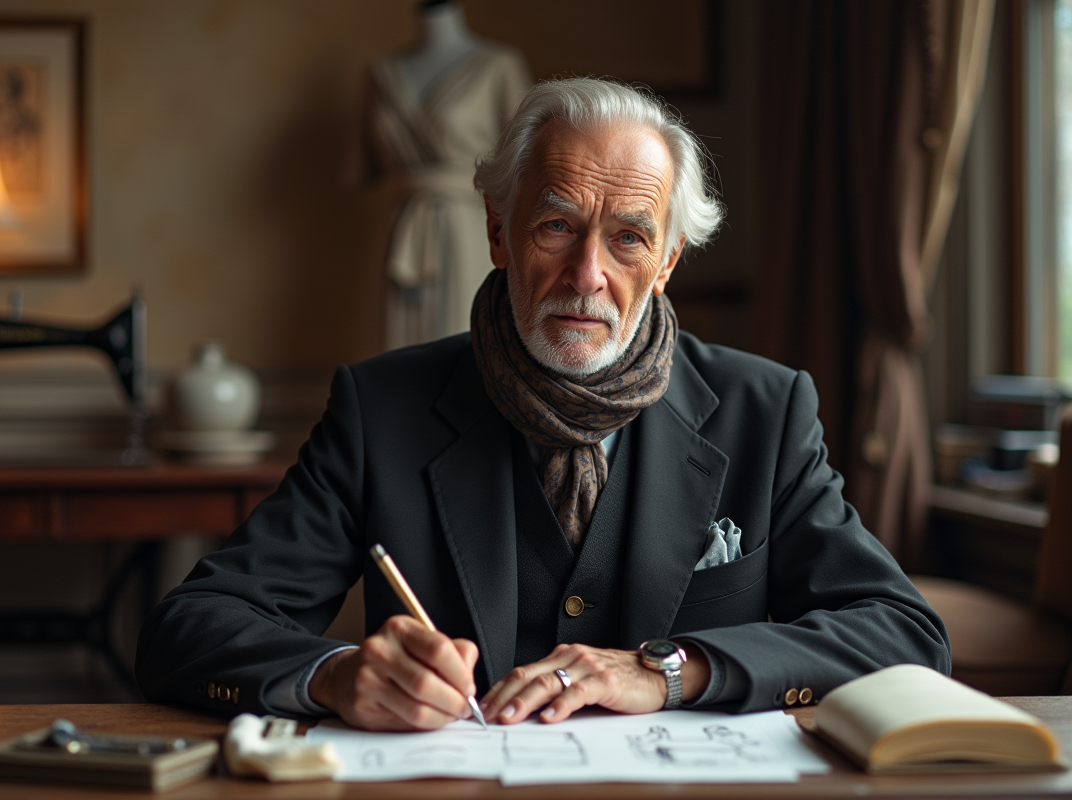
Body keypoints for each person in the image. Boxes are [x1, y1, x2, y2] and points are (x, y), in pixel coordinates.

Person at [136, 78, 949, 732]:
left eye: (628, 237)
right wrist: (334, 674)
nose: (587, 274)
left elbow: (904, 635)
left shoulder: (765, 410)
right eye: (557, 225)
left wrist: (668, 669)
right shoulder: (379, 408)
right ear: (498, 231)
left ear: (666, 262)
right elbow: (190, 627)